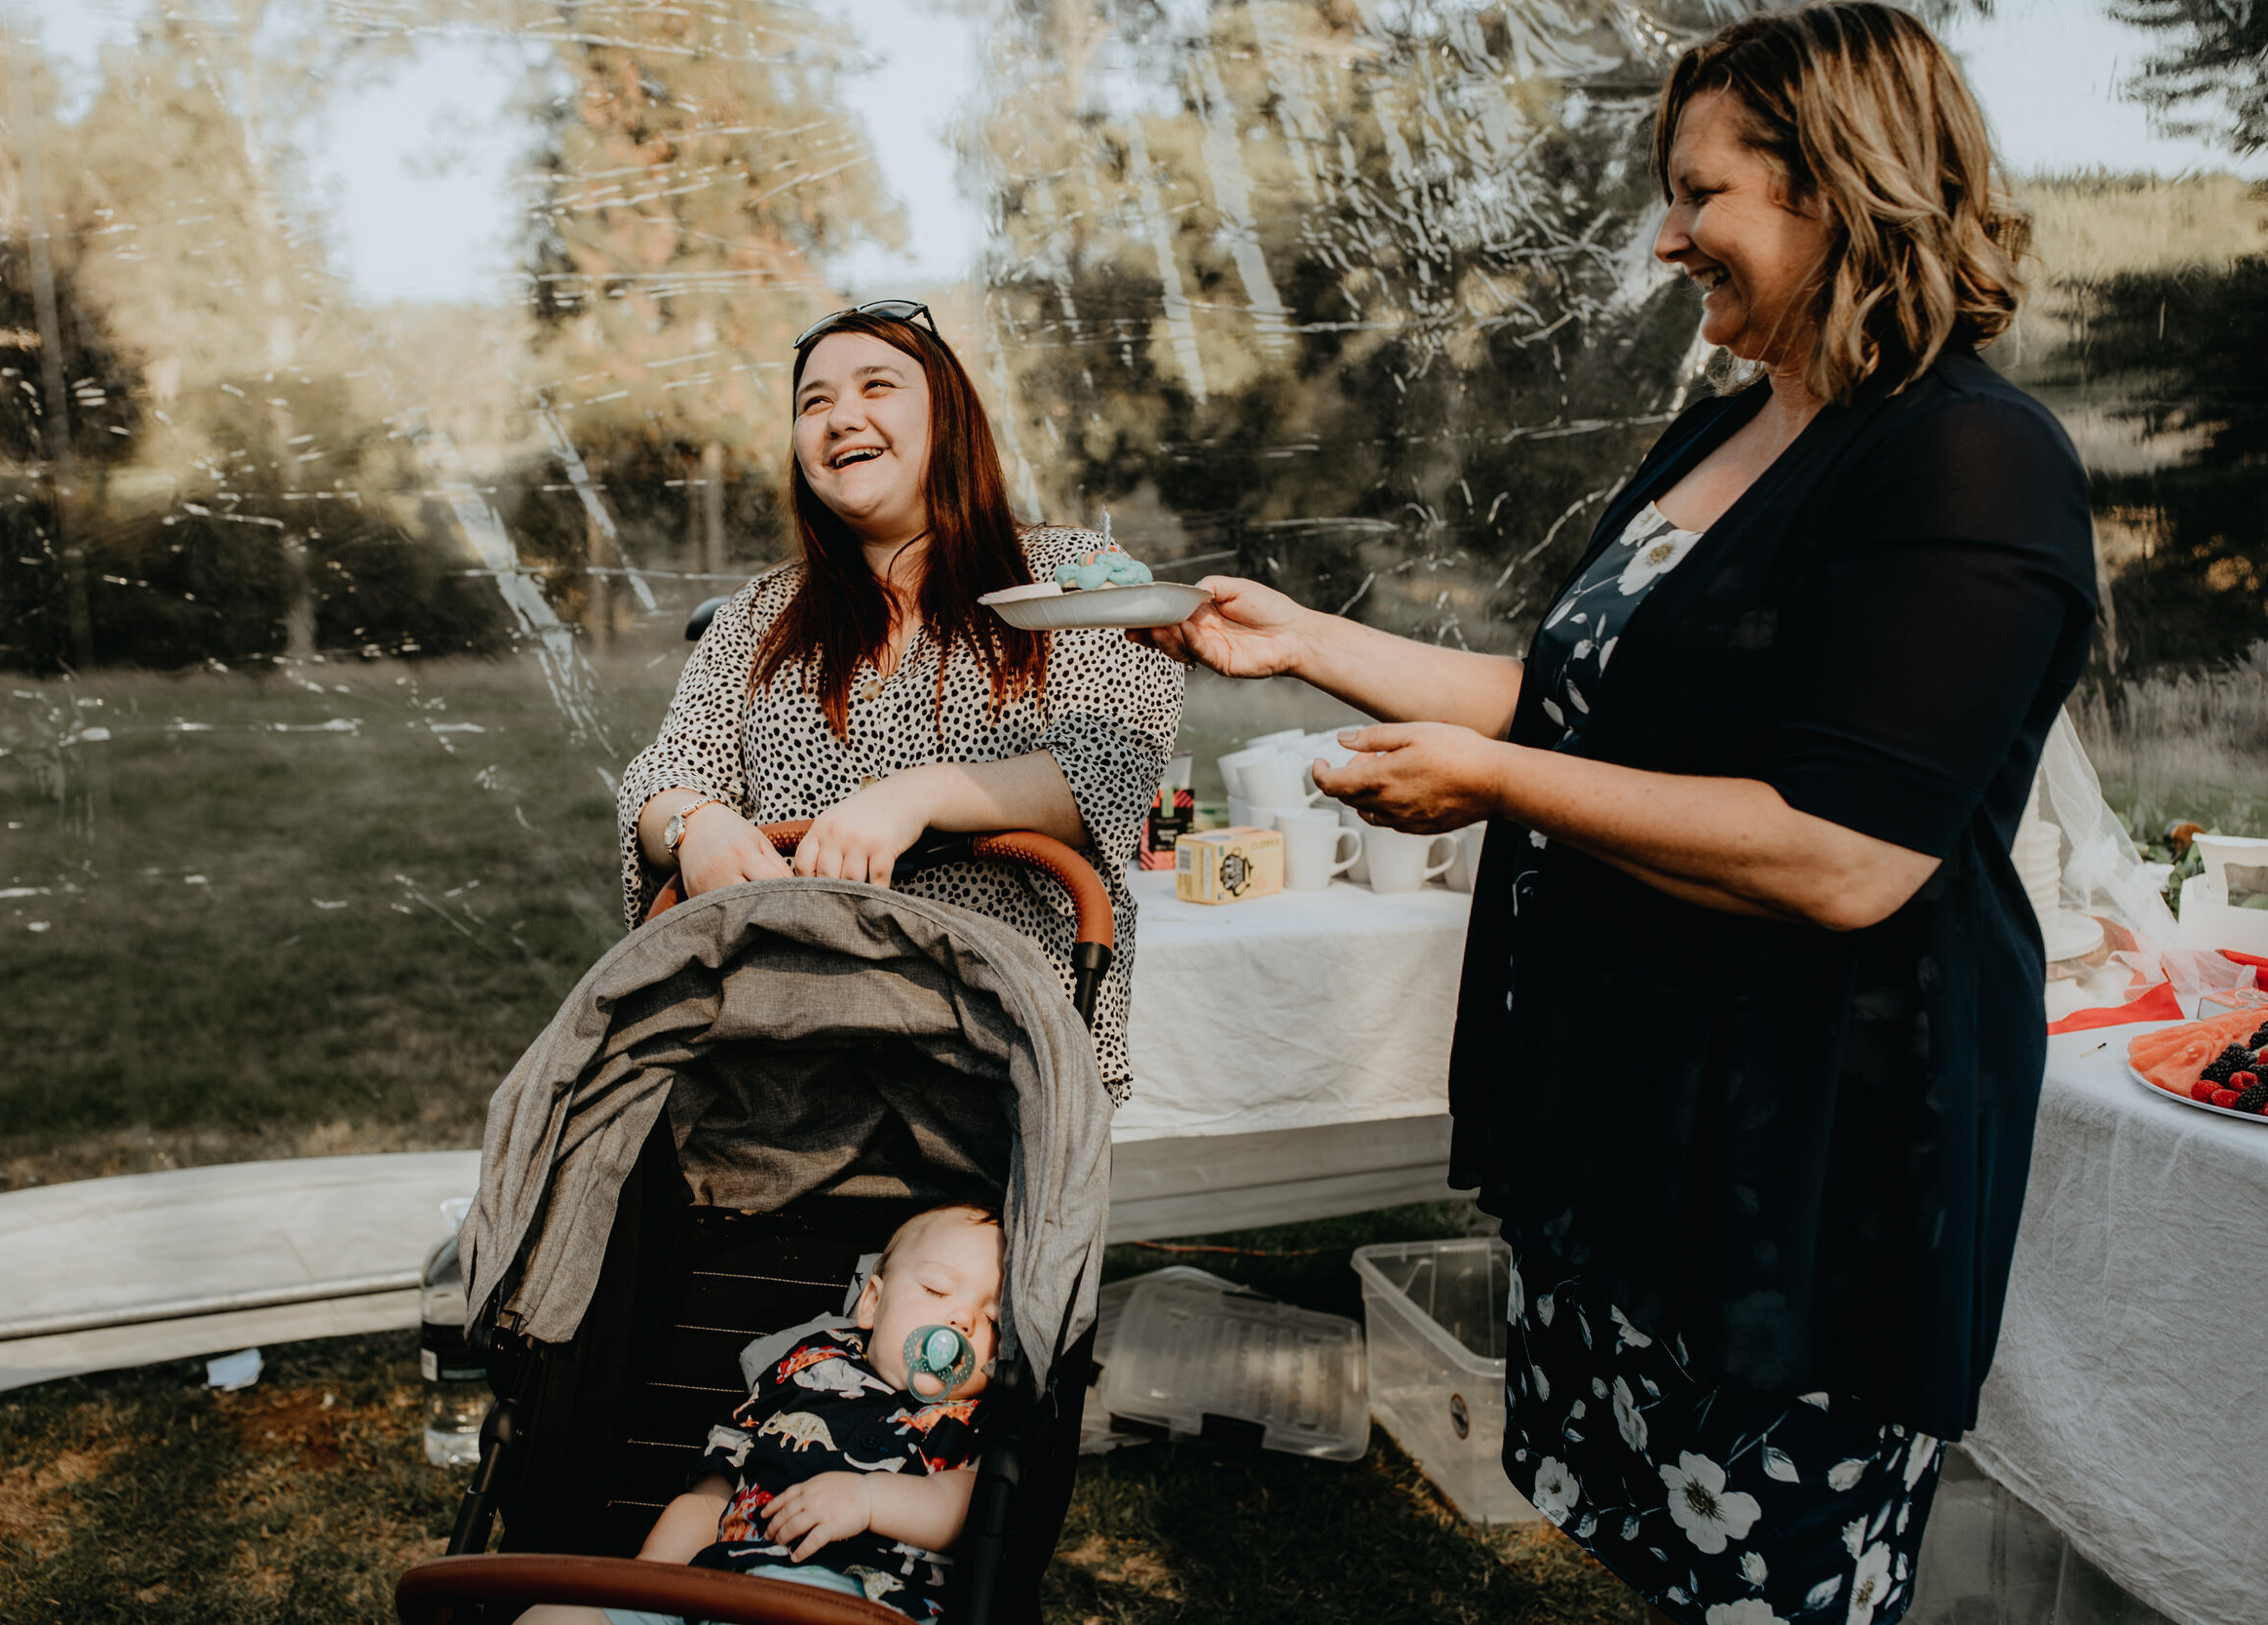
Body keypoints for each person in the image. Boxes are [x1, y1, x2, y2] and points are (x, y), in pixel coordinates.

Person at [1139, 7, 2092, 1622]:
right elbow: (1569, 698)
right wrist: (1303, 641)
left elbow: (1847, 853)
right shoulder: (1734, 426)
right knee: (1650, 1560)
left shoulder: (1970, 464)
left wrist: (1500, 790)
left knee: (1766, 1585)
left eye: (1703, 192)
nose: (1669, 237)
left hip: (1807, 1155)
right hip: (1634, 1112)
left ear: (1839, 186)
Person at [618, 301, 1182, 1100]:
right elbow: (664, 773)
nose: (841, 415)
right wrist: (692, 824)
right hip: (783, 1046)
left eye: (875, 385)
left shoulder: (1072, 574)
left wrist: (914, 797)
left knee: (953, 1229)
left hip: (993, 1041)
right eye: (814, 402)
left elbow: (1110, 765)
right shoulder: (756, 615)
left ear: (946, 417)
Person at [521, 1204, 1004, 1624]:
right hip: (724, 1584)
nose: (962, 1320)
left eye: (992, 1320)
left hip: (856, 1600)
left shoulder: (970, 1416)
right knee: (550, 1617)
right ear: (872, 1302)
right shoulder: (808, 1365)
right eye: (938, 1291)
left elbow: (961, 1507)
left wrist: (869, 1499)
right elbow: (716, 1493)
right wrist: (653, 1581)